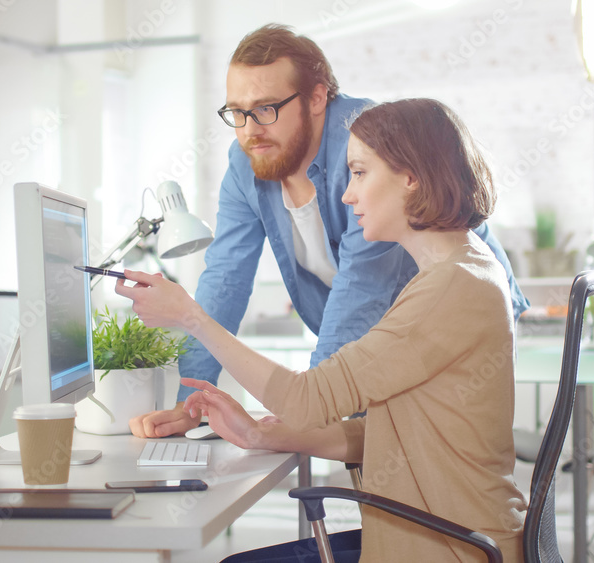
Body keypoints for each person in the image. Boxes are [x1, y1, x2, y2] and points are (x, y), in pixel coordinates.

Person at [115, 98, 526, 562]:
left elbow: (306, 400)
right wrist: (261, 435)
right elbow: (389, 434)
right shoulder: (458, 269)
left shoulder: (451, 287)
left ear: (410, 177)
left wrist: (191, 317)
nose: (347, 195)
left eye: (359, 172)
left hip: (448, 548)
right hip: (455, 537)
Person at [127, 23, 528, 439]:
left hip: (442, 318)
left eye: (266, 109)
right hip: (380, 335)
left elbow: (363, 290)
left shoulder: (369, 150)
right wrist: (188, 401)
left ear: (317, 98)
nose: (249, 130)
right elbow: (226, 278)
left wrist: (308, 406)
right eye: (237, 112)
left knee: (428, 452)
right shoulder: (249, 162)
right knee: (386, 450)